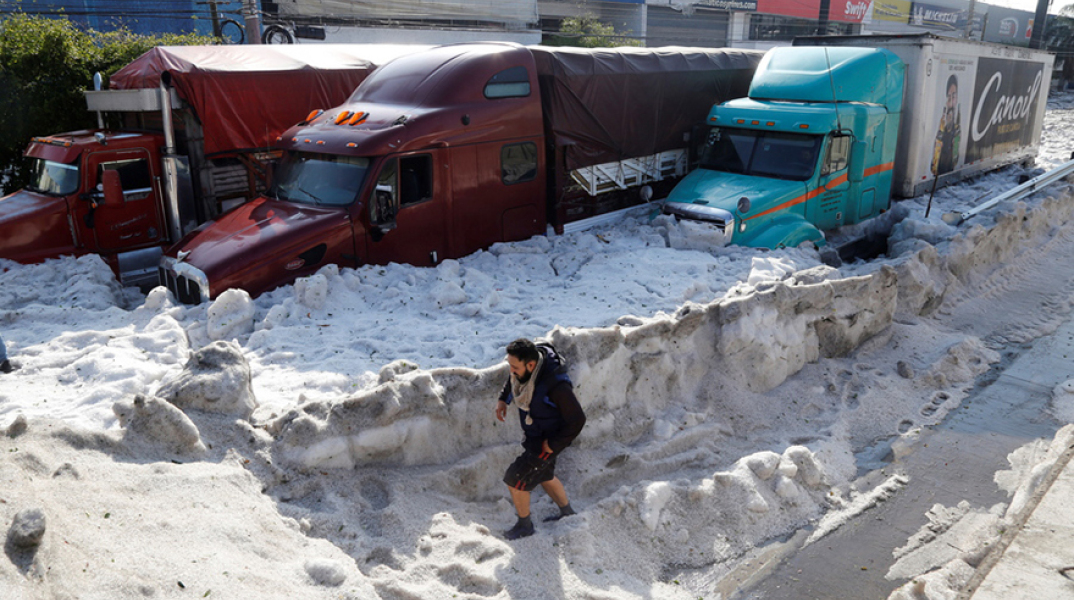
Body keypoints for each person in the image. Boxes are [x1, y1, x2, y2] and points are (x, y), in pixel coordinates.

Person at [495, 338, 586, 540]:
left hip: (548, 441)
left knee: (515, 479)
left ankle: (525, 526)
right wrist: (503, 398)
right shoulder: (526, 369)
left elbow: (578, 420)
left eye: (515, 366)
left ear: (531, 364)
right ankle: (567, 512)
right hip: (535, 435)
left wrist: (553, 444)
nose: (511, 370)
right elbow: (514, 380)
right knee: (544, 476)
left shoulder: (556, 386)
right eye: (510, 365)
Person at [932, 74, 961, 176]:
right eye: (949, 96)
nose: (951, 101)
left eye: (954, 96)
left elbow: (956, 157)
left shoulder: (957, 127)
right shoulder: (940, 125)